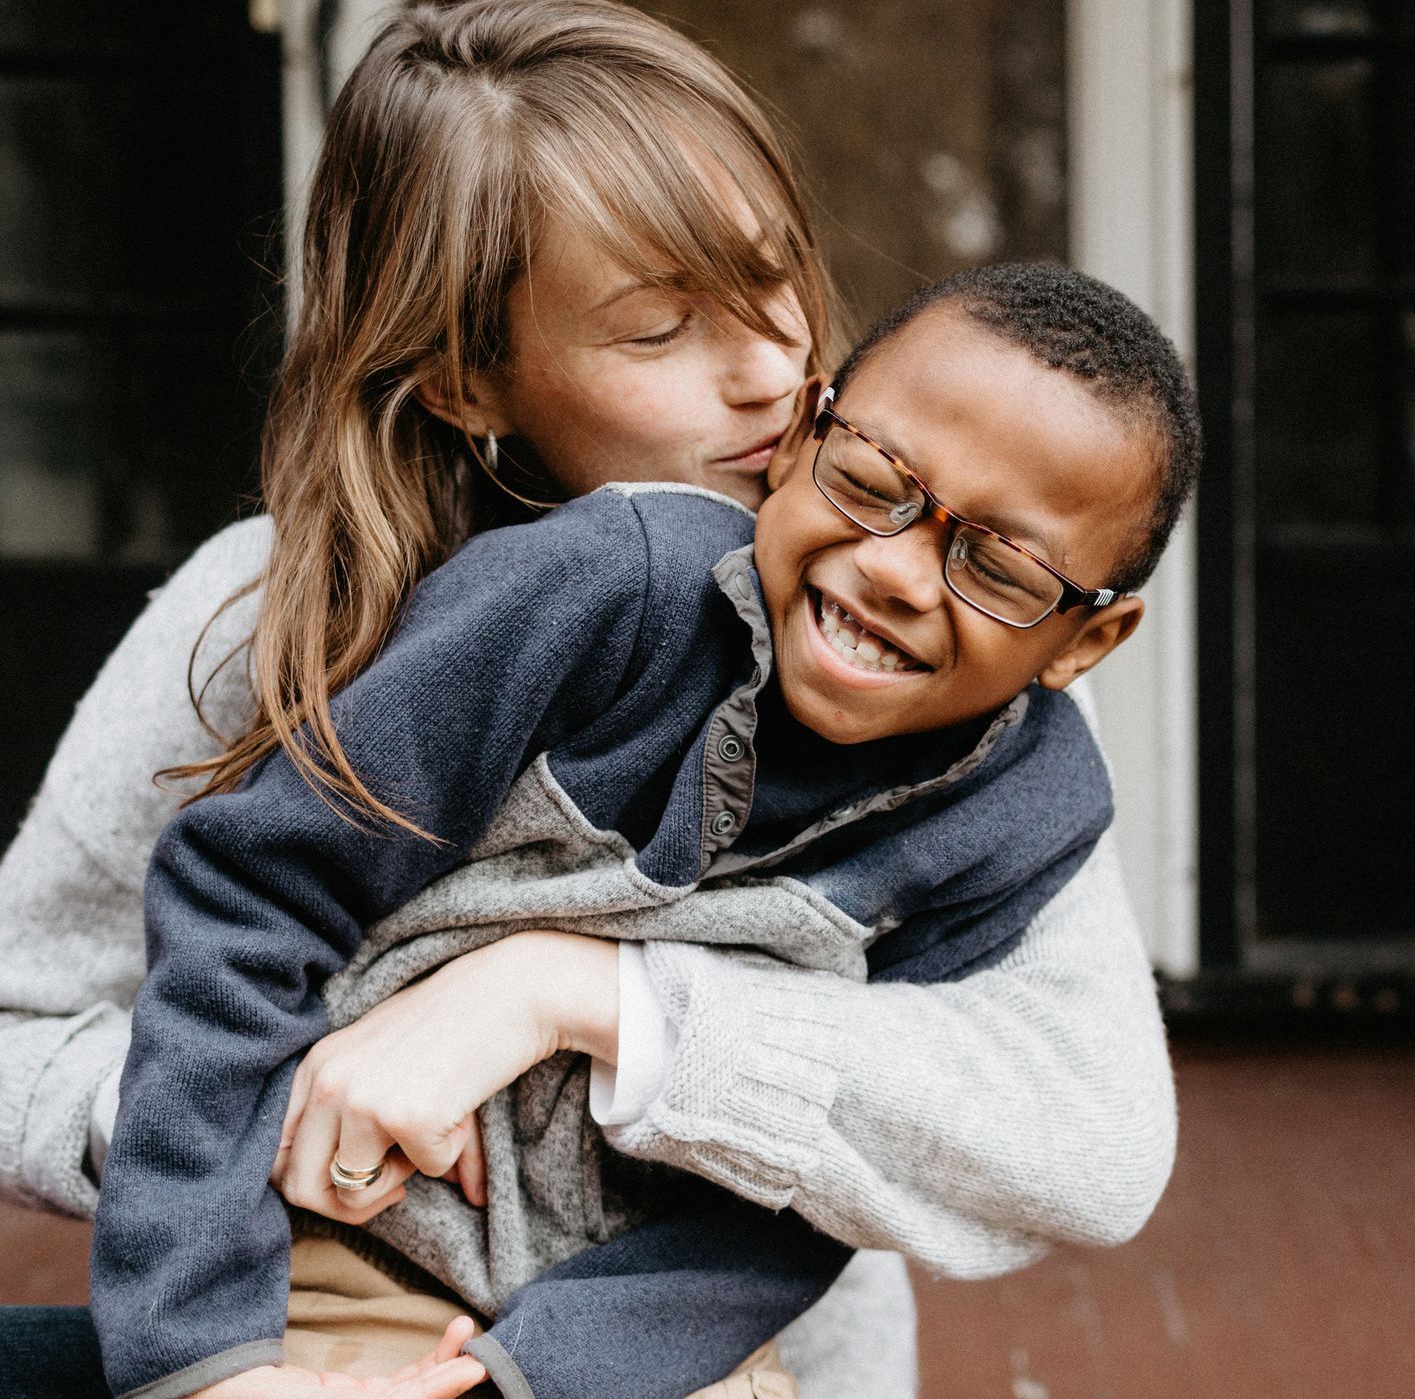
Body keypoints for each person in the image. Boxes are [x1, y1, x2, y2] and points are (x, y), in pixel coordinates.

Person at [0, 0, 1176, 1398]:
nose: (774, 375)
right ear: (469, 379)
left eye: (773, 279)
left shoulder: (934, 646)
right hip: (322, 1328)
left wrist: (583, 999)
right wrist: (271, 1105)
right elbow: (6, 1050)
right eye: (660, 329)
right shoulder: (267, 615)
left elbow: (1085, 1134)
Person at [92, 260, 1201, 1399]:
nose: (895, 568)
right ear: (803, 432)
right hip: (350, 1244)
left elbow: (809, 1178)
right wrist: (200, 1352)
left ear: (1085, 643)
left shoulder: (1020, 816)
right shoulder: (601, 591)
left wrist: (545, 1372)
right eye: (874, 480)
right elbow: (250, 893)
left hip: (636, 1339)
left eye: (999, 567)